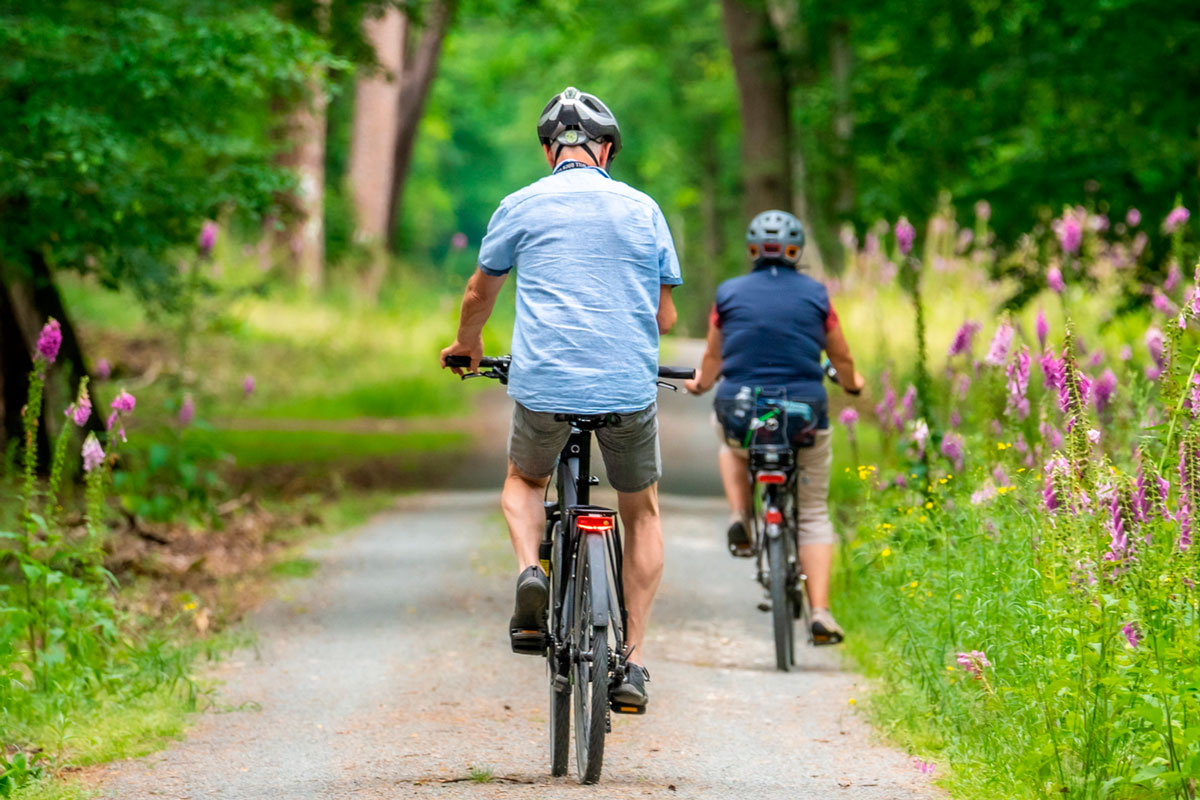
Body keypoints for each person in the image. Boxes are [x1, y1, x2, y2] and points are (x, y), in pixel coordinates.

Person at [440, 87, 682, 708]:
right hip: (628, 386)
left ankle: (530, 572)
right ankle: (631, 664)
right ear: (606, 150)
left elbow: (478, 293)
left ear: (550, 150)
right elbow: (666, 314)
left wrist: (469, 345)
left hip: (545, 383)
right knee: (642, 510)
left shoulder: (520, 204)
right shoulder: (643, 208)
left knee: (524, 481)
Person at [684, 210, 863, 645]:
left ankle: (741, 514)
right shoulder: (818, 295)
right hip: (804, 414)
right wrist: (854, 384)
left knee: (729, 443)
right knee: (815, 513)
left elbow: (713, 358)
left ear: (751, 250)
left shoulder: (728, 293)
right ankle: (820, 611)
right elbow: (840, 358)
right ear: (795, 250)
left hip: (742, 411)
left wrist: (701, 384)